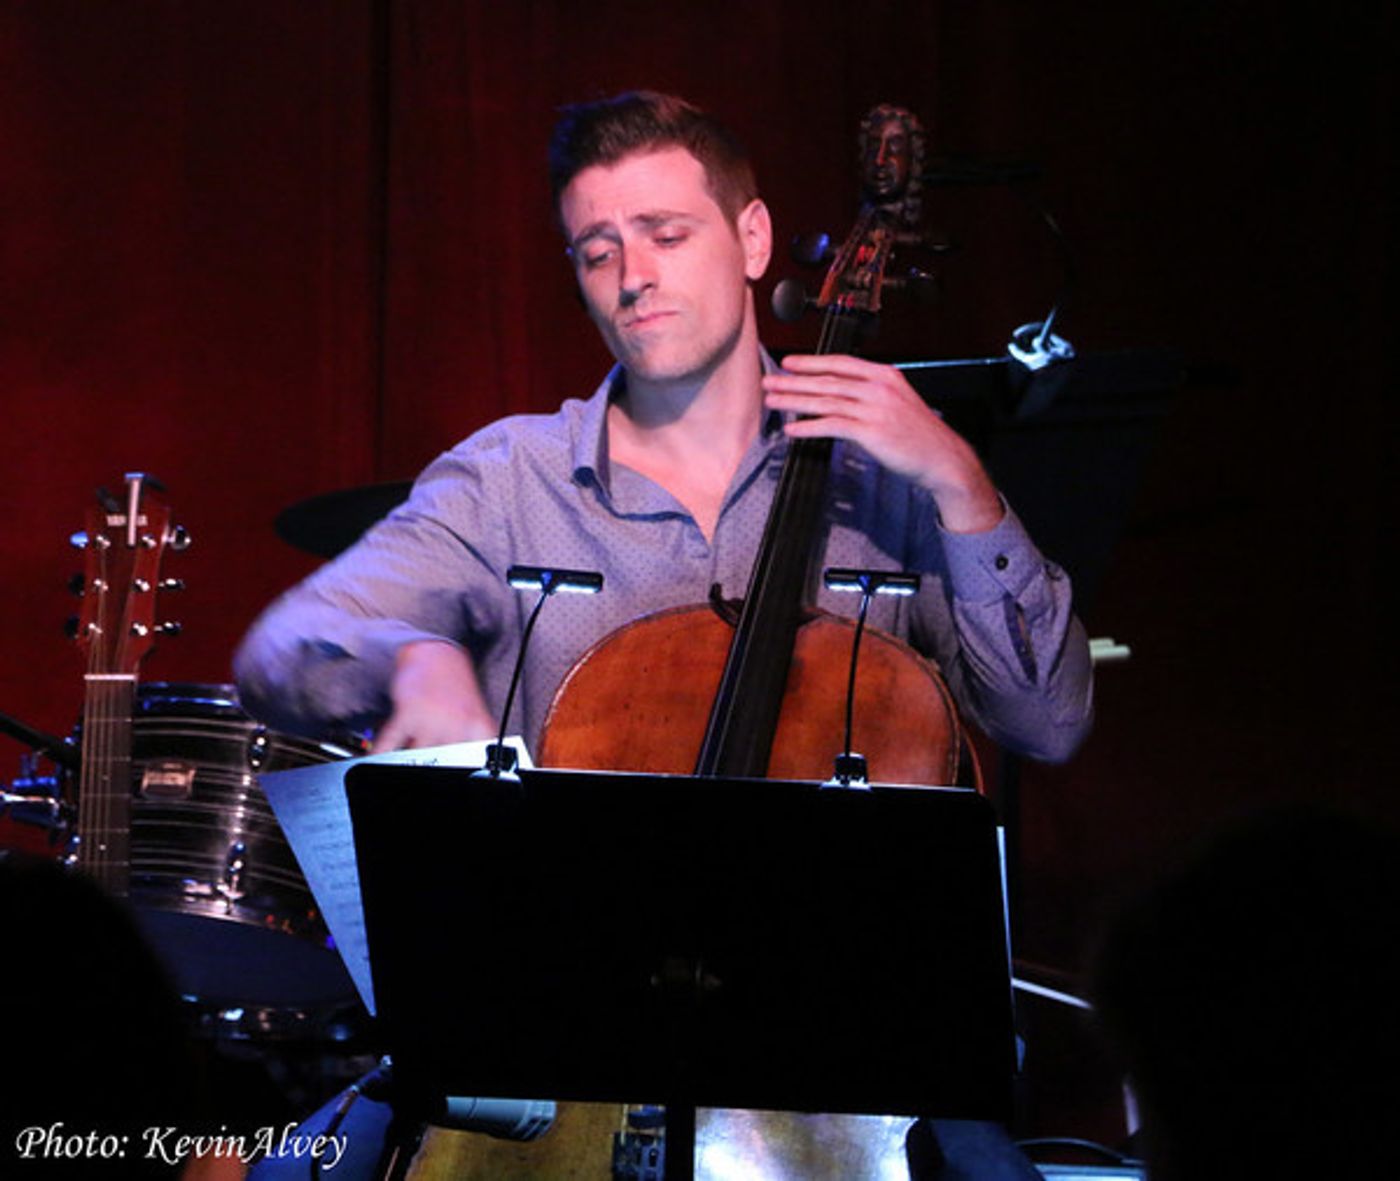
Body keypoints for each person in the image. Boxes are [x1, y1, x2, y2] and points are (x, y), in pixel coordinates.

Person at [234, 91, 1092, 766]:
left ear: (752, 240)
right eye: (598, 252)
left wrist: (959, 482)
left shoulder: (887, 482)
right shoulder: (506, 479)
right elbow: (277, 652)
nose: (633, 277)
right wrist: (409, 654)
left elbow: (1050, 723)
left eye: (666, 234)